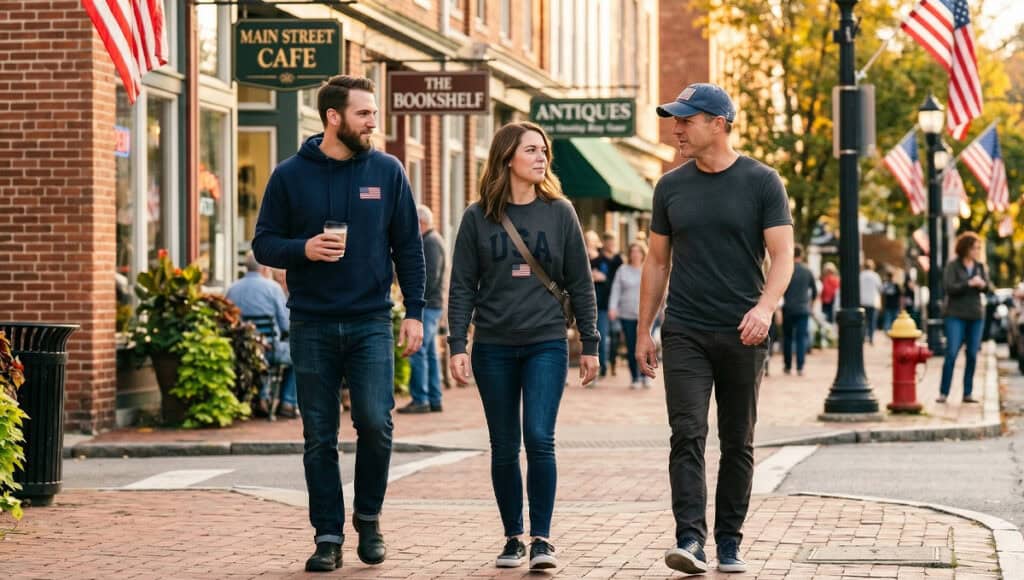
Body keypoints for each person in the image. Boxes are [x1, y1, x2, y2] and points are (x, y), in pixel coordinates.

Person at [252, 74, 425, 573]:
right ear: (334, 117)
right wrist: (302, 249)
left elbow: (408, 248)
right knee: (318, 436)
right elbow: (264, 242)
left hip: (372, 319)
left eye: (374, 113)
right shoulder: (289, 175)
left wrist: (414, 311)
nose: (374, 122)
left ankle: (367, 518)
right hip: (311, 322)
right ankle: (327, 535)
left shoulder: (388, 171)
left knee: (376, 422)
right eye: (364, 114)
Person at [637, 83, 794, 575]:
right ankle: (690, 539)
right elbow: (657, 262)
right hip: (684, 329)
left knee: (737, 441)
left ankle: (729, 541)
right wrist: (644, 329)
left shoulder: (762, 181)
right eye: (675, 120)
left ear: (719, 124)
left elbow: (784, 254)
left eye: (686, 120)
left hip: (742, 332)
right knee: (686, 432)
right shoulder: (670, 186)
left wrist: (765, 308)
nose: (676, 129)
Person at [447, 121, 599, 571]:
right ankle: (513, 535)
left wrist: (589, 342)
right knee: (502, 445)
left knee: (539, 437)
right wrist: (457, 343)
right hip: (492, 346)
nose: (541, 158)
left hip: (545, 343)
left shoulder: (561, 212)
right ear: (507, 156)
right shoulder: (478, 217)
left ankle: (543, 539)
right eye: (531, 150)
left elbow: (581, 283)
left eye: (544, 151)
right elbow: (461, 287)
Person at [225, 251, 298, 419]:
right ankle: (287, 402)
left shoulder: (232, 289)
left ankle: (262, 398)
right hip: (269, 350)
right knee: (298, 354)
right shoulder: (273, 289)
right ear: (265, 268)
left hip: (241, 352)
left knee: (263, 357)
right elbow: (286, 325)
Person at [398, 205, 446, 414]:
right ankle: (434, 398)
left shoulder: (430, 243)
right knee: (430, 354)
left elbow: (430, 276)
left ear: (421, 223)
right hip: (434, 304)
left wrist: (415, 298)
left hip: (428, 305)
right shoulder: (434, 240)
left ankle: (421, 399)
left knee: (418, 351)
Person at [937, 232, 993, 404]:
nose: (977, 251)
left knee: (972, 355)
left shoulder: (980, 267)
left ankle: (967, 393)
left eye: (978, 248)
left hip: (976, 315)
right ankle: (944, 392)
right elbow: (949, 288)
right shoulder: (953, 266)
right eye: (974, 248)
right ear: (965, 248)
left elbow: (989, 288)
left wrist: (982, 285)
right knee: (952, 352)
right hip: (956, 315)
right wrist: (968, 283)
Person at [609, 240, 648, 388]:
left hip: (645, 315)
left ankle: (646, 375)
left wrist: (663, 309)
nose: (635, 254)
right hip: (627, 315)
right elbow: (616, 289)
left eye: (638, 251)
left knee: (645, 345)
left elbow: (658, 291)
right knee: (632, 347)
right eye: (632, 251)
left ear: (643, 253)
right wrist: (613, 307)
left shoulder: (648, 269)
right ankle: (635, 377)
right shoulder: (622, 270)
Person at [781, 245, 816, 376]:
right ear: (801, 255)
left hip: (788, 308)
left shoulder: (786, 269)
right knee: (801, 338)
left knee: (788, 338)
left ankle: (788, 365)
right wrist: (811, 305)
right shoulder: (808, 271)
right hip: (803, 309)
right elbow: (815, 291)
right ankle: (800, 367)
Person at [859, 260, 883, 345]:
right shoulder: (875, 276)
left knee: (863, 321)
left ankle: (862, 338)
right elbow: (880, 288)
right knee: (872, 321)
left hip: (862, 301)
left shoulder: (861, 275)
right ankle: (871, 338)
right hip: (872, 301)